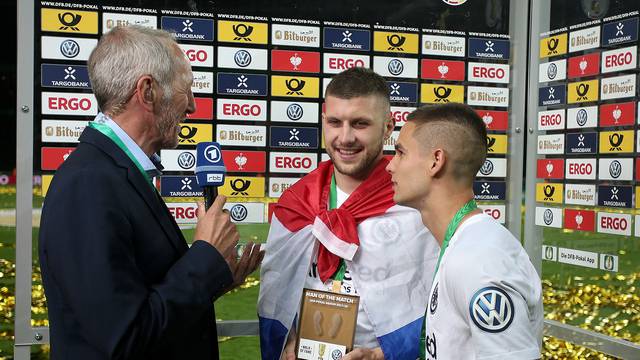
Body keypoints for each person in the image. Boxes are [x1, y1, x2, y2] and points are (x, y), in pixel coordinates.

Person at [38, 26, 263, 359]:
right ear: (147, 92)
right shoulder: (88, 185)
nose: (193, 107)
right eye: (186, 91)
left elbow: (148, 298)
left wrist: (216, 273)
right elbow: (126, 337)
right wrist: (203, 255)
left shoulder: (115, 172)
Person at [258, 67, 439, 360]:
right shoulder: (296, 204)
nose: (345, 137)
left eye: (360, 124)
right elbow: (278, 291)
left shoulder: (416, 206)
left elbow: (442, 305)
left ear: (388, 127)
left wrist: (381, 355)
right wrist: (288, 342)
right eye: (335, 122)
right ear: (323, 122)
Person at [386, 103, 543, 359]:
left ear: (436, 161)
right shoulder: (464, 245)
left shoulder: (480, 262)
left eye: (400, 153)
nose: (390, 166)